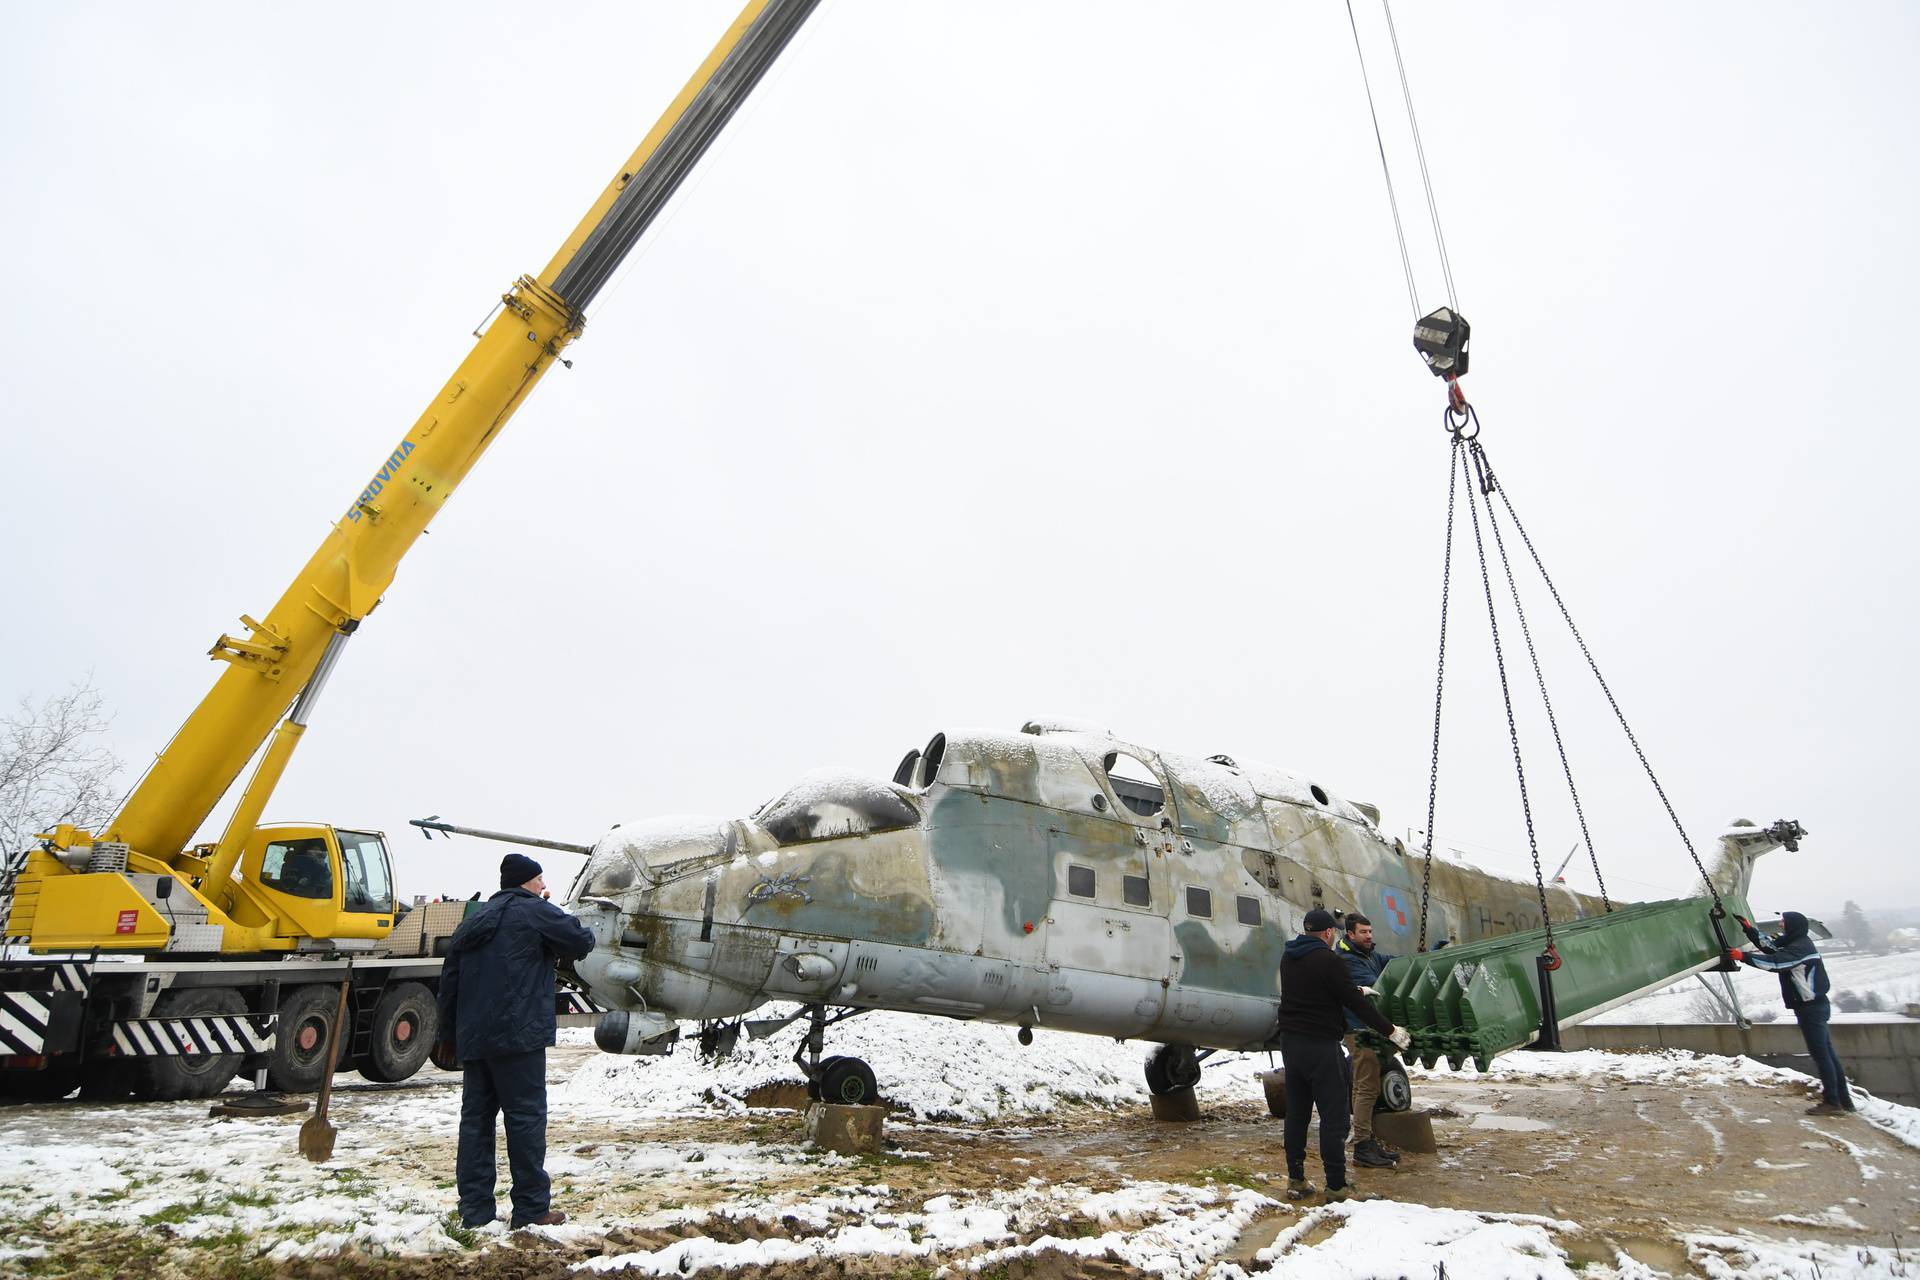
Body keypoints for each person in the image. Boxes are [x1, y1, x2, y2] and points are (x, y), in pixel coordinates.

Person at [437, 853, 597, 1228]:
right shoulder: (534, 911)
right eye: (540, 880)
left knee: (475, 1124)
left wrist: (447, 1036)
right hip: (519, 1038)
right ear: (528, 882)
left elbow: (449, 983)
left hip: (475, 1041)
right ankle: (531, 1209)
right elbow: (580, 940)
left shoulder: (474, 921)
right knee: (525, 1120)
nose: (544, 885)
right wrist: (550, 910)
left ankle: (475, 1212)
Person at [1276, 907, 1411, 1201]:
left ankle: (1296, 1180)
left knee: (1297, 1114)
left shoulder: (1290, 957)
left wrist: (1357, 989)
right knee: (1334, 1116)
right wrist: (1390, 1031)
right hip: (1320, 1047)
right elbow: (1353, 1004)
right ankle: (1336, 1186)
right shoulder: (1329, 960)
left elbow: (1315, 990)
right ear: (1328, 933)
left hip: (1291, 1045)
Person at [1733, 911, 1854, 1115]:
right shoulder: (1797, 942)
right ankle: (1845, 1101)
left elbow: (1776, 962)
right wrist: (1749, 930)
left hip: (1811, 1009)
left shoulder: (1800, 948)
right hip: (1814, 1006)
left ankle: (1833, 1103)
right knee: (1828, 1055)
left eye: (1783, 922)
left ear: (1793, 925)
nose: (1780, 925)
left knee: (1822, 1056)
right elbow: (1771, 948)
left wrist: (1742, 956)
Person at [1335, 913, 1398, 1168]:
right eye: (1363, 932)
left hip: (1368, 1029)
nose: (1369, 936)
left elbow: (1393, 964)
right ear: (1350, 934)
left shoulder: (1369, 954)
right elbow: (1377, 984)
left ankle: (1367, 1141)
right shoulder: (1349, 960)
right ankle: (1362, 1146)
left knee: (1366, 1086)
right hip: (1358, 1031)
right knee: (1365, 1087)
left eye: (1370, 931)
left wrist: (1422, 956)